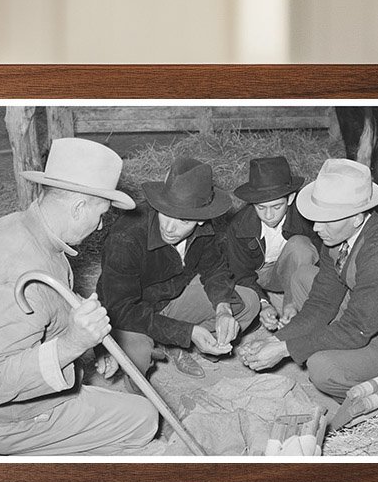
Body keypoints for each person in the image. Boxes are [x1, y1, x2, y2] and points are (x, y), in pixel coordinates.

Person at [0, 137, 158, 455]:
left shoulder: (20, 228)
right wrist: (74, 344)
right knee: (145, 419)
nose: (101, 226)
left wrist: (87, 349)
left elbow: (45, 318)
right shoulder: (21, 274)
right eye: (101, 214)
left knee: (129, 369)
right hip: (5, 420)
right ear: (78, 208)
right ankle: (13, 460)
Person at [240, 158, 378, 402]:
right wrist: (276, 339)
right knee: (303, 278)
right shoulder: (338, 236)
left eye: (327, 219)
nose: (317, 227)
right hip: (364, 310)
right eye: (316, 217)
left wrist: (284, 350)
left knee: (322, 368)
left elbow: (357, 330)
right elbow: (322, 303)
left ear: (356, 217)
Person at [98, 157, 260, 379]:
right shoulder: (126, 237)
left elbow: (214, 268)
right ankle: (159, 358)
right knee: (139, 354)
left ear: (201, 220)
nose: (171, 228)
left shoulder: (204, 227)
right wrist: (185, 331)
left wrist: (223, 308)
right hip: (132, 314)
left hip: (171, 300)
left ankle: (190, 346)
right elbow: (119, 309)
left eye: (184, 221)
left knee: (248, 302)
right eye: (166, 214)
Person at [224, 155, 321, 331]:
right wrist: (263, 304)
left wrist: (294, 302)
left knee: (301, 246)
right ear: (252, 203)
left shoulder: (306, 218)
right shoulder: (238, 226)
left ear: (290, 199)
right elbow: (240, 273)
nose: (269, 215)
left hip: (292, 271)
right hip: (258, 275)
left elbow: (320, 258)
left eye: (276, 207)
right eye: (261, 207)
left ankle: (292, 310)